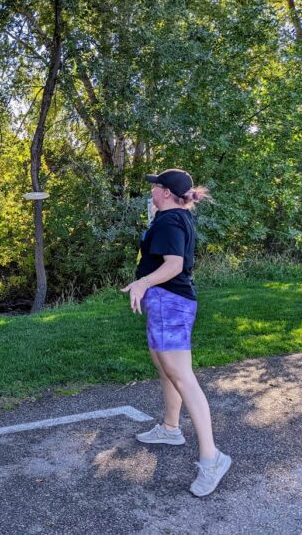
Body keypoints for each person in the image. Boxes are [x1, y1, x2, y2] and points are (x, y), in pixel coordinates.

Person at [120, 168, 231, 497]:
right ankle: (170, 428)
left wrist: (142, 282)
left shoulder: (170, 220)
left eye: (156, 187)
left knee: (182, 375)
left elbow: (174, 265)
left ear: (167, 192)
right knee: (165, 366)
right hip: (166, 302)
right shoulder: (171, 216)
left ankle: (212, 457)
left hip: (171, 302)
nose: (151, 190)